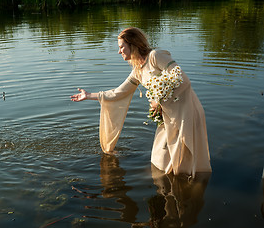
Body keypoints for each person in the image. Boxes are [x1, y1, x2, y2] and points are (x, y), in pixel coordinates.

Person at [71, 27, 211, 176]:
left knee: (186, 157)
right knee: (160, 158)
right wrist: (89, 95)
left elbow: (182, 80)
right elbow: (119, 92)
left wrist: (158, 101)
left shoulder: (155, 56)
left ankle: (189, 189)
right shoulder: (137, 70)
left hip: (185, 112)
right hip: (167, 116)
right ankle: (171, 189)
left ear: (132, 45)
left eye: (121, 47)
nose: (119, 52)